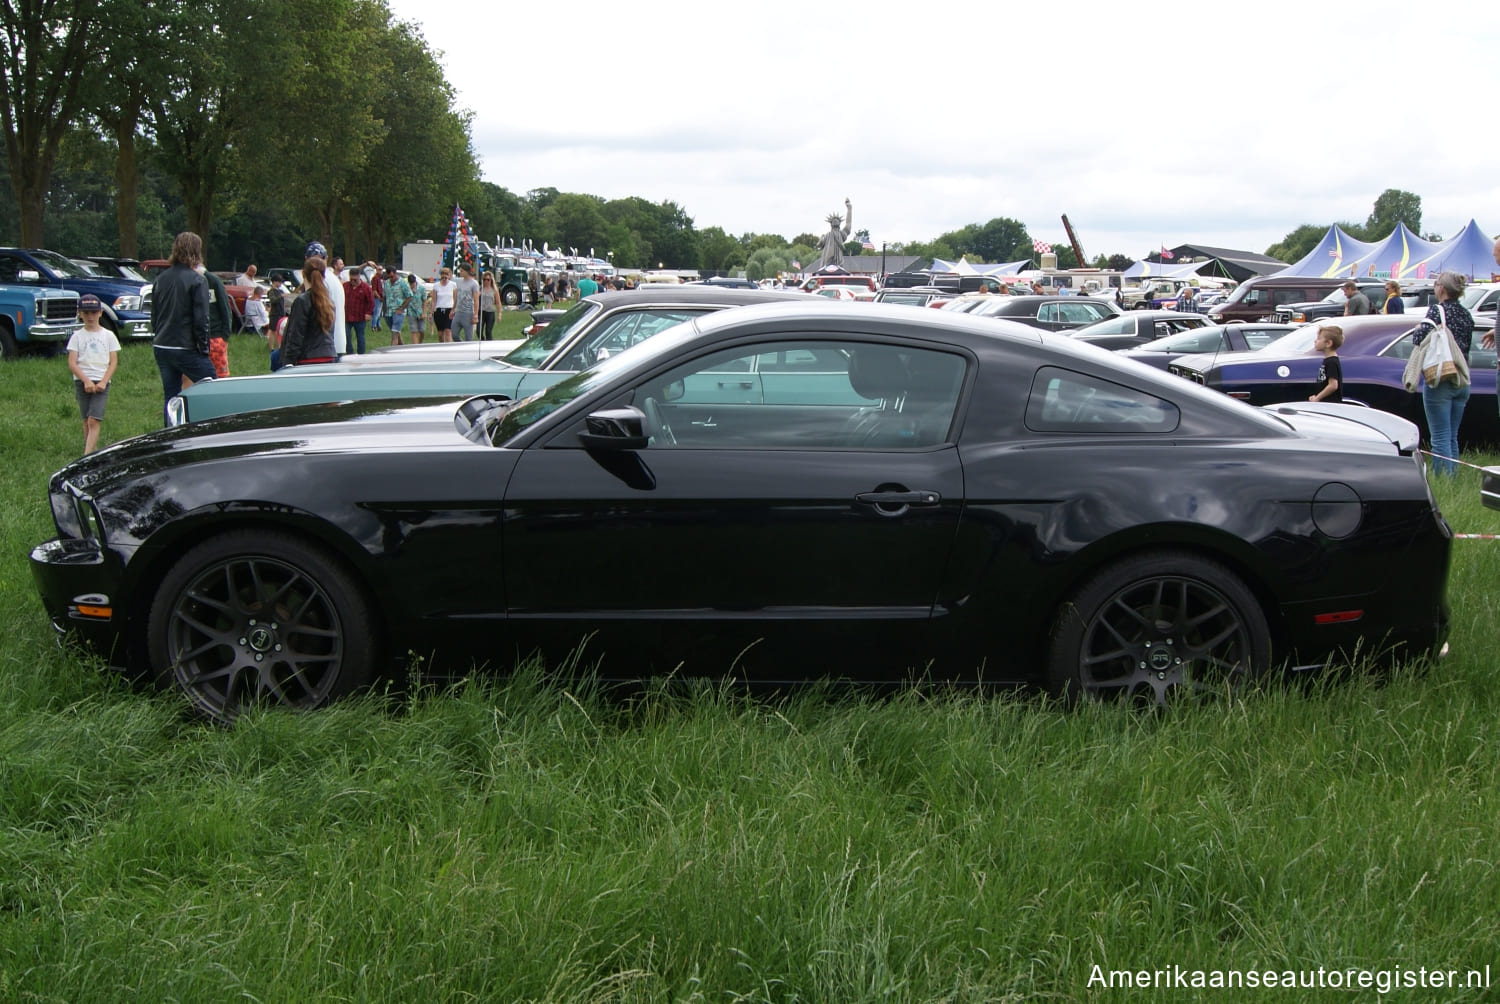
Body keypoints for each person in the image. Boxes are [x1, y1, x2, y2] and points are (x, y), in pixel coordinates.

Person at [1412, 271, 1474, 476]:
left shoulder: (1437, 310)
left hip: (1441, 378)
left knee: (1439, 436)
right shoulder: (1466, 313)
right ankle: (1453, 475)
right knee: (1451, 436)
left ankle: (1443, 479)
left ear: (1442, 289)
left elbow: (1418, 339)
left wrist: (1419, 328)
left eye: (1436, 283)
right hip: (1462, 378)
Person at [150, 231, 213, 426]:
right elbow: (201, 319)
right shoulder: (197, 280)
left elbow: (154, 314)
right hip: (185, 346)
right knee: (212, 388)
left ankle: (170, 436)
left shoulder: (161, 279)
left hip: (162, 344)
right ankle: (211, 429)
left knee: (170, 397)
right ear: (197, 251)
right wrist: (204, 349)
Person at [66, 294, 120, 454]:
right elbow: (72, 362)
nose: (90, 317)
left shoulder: (108, 335)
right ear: (80, 314)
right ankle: (92, 450)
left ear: (100, 313)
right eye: (86, 313)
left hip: (101, 381)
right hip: (82, 381)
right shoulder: (77, 337)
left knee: (94, 419)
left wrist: (104, 381)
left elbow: (113, 362)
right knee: (86, 419)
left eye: (94, 313)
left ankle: (86, 456)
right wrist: (85, 381)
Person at [278, 255, 338, 368]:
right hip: (329, 355)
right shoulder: (329, 302)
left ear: (303, 274)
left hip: (307, 358)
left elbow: (295, 334)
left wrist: (288, 361)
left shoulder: (302, 301)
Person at [197, 263, 233, 377]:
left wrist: (224, 336)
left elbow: (225, 309)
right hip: (196, 338)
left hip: (215, 337)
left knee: (219, 376)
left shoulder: (214, 282)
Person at [1308, 325, 1343, 403]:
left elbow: (1333, 385)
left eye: (1319, 339)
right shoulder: (1328, 360)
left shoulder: (1332, 362)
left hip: (1330, 404)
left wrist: (1318, 398)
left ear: (1328, 343)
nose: (1315, 341)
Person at [343, 268, 373, 354]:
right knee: (347, 336)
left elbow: (371, 302)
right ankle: (349, 353)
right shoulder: (345, 286)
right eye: (351, 279)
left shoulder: (366, 288)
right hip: (347, 317)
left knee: (360, 337)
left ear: (359, 277)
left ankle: (361, 354)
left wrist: (369, 313)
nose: (353, 281)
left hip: (360, 316)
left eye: (355, 280)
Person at [383, 267, 412, 345]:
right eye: (389, 277)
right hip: (388, 311)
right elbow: (384, 296)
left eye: (392, 276)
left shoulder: (403, 283)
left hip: (398, 311)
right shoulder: (386, 283)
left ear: (395, 273)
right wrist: (384, 310)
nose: (391, 279)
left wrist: (402, 308)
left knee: (394, 333)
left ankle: (392, 352)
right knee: (395, 331)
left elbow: (409, 296)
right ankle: (402, 348)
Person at [325, 253, 347, 355]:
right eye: (340, 264)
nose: (342, 265)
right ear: (335, 265)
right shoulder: (331, 278)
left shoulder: (338, 278)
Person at [452, 264, 480, 341]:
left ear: (467, 271)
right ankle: (460, 346)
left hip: (468, 312)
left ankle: (468, 350)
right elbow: (456, 296)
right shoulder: (458, 282)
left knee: (468, 337)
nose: (460, 272)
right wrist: (453, 308)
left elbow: (476, 300)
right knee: (454, 334)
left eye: (461, 271)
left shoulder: (474, 283)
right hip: (458, 311)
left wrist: (476, 315)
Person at [429, 266, 456, 342]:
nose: (444, 277)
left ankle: (450, 348)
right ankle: (441, 347)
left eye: (446, 275)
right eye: (443, 275)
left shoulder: (453, 285)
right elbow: (434, 300)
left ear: (449, 276)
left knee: (448, 331)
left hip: (449, 310)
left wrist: (453, 310)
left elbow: (455, 299)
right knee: (440, 334)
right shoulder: (436, 286)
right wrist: (431, 312)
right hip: (439, 310)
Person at [479, 271, 499, 340]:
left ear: (491, 280)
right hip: (481, 311)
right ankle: (482, 340)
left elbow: (498, 302)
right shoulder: (480, 289)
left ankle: (489, 344)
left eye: (488, 280)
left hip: (490, 312)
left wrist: (499, 314)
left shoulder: (494, 290)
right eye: (484, 279)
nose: (486, 281)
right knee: (479, 331)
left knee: (488, 331)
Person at [407, 272, 427, 343]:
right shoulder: (407, 289)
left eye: (413, 283)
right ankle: (415, 346)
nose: (412, 285)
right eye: (410, 284)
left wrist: (424, 313)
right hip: (411, 312)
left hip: (420, 311)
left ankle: (420, 343)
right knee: (414, 331)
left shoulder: (421, 289)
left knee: (422, 330)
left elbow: (424, 301)